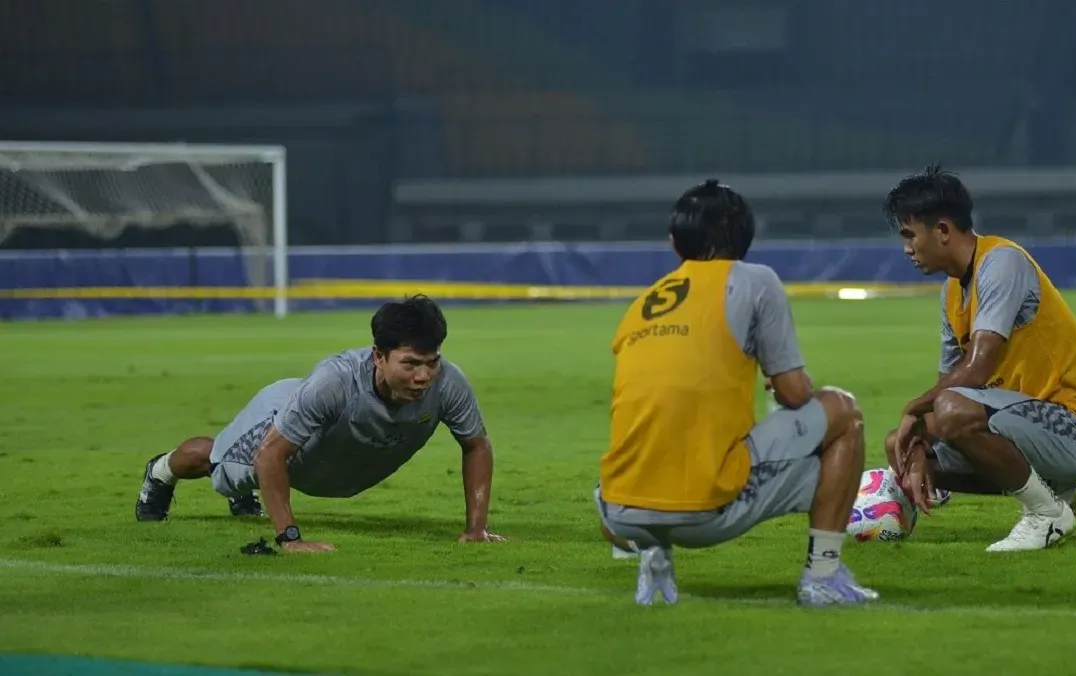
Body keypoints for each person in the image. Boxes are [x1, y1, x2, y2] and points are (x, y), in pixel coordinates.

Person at [594, 179, 878, 607]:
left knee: (660, 432)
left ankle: (655, 560)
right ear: (745, 237)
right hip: (702, 515)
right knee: (844, 413)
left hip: (617, 515)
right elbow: (795, 393)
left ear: (675, 243)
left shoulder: (644, 302)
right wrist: (780, 380)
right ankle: (823, 576)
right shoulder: (756, 280)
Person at [134, 295, 505, 550]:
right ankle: (161, 471)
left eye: (431, 362)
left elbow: (476, 445)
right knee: (216, 463)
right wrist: (290, 538)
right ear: (378, 355)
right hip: (280, 418)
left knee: (258, 470)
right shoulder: (336, 382)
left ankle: (246, 494)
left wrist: (477, 530)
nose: (424, 376)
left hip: (328, 459)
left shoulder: (449, 382)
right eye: (410, 364)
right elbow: (270, 454)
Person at [881, 164, 1076, 552]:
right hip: (1026, 424)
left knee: (950, 410)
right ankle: (1056, 490)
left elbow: (975, 372)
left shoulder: (1002, 262)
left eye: (910, 235)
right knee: (899, 446)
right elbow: (950, 386)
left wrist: (913, 409)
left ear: (942, 230)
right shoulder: (951, 293)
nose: (906, 248)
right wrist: (918, 443)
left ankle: (1046, 514)